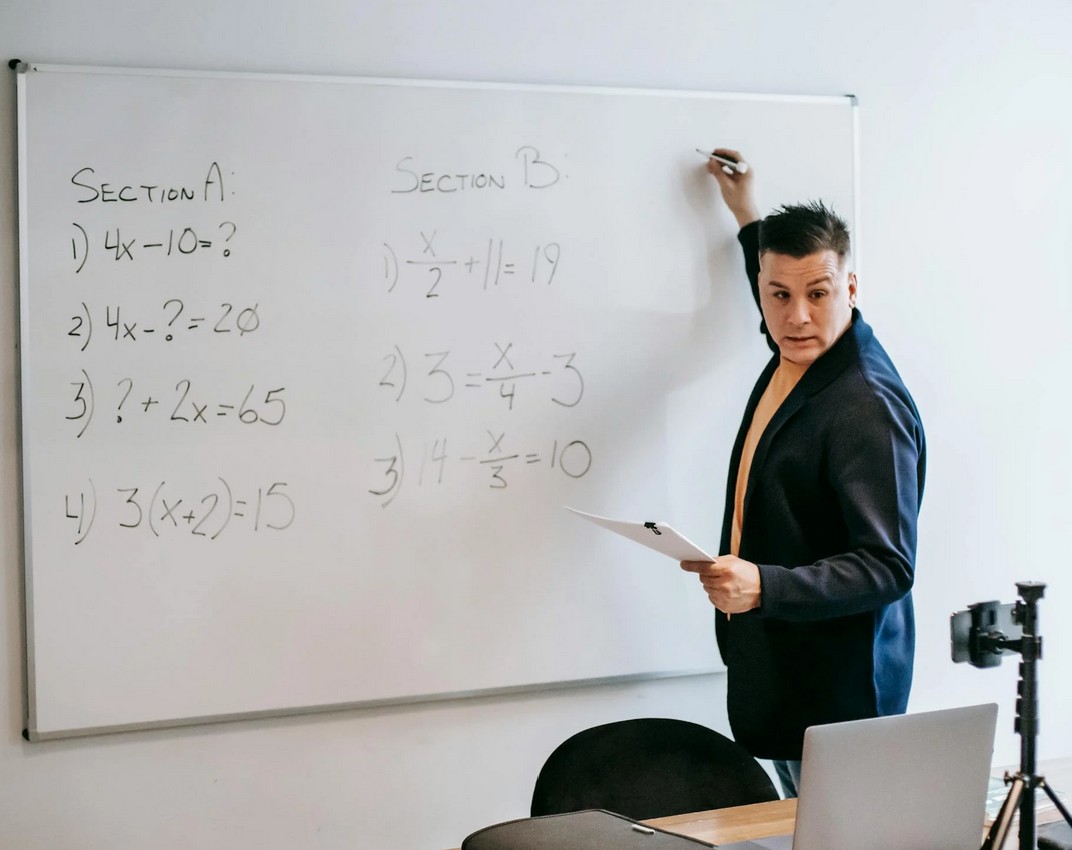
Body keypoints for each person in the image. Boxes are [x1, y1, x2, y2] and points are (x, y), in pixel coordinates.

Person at [681, 149, 926, 799]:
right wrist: (746, 216)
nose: (796, 317)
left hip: (838, 697)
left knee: (836, 837)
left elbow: (888, 566)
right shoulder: (800, 345)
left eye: (818, 294)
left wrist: (764, 585)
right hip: (786, 673)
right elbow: (776, 278)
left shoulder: (866, 407)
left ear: (851, 289)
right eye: (778, 295)